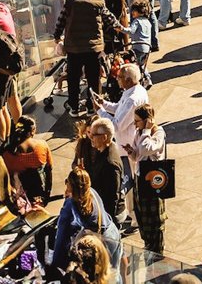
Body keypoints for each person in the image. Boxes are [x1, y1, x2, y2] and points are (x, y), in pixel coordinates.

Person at [51, 168, 122, 277]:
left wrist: (57, 264)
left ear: (71, 186)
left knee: (97, 277)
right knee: (113, 275)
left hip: (100, 243)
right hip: (113, 235)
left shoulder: (71, 203)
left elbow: (63, 231)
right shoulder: (92, 192)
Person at [54, 0, 109, 117]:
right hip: (93, 48)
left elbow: (60, 22)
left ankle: (74, 107)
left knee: (73, 78)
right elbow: (110, 20)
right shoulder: (99, 3)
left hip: (74, 48)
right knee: (93, 78)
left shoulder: (70, 3)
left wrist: (57, 36)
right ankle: (92, 107)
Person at [128, 103, 168, 254]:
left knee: (154, 218)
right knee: (141, 214)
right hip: (140, 177)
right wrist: (132, 152)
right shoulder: (139, 132)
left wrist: (146, 131)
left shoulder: (158, 133)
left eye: (137, 120)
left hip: (153, 180)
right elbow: (139, 154)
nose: (135, 124)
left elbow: (146, 148)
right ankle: (147, 243)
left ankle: (157, 249)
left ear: (148, 120)